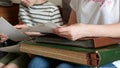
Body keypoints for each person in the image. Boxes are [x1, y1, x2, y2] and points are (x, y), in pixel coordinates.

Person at [28, 0, 120, 68]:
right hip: (80, 50)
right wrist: (37, 31)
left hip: (112, 54)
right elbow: (70, 26)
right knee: (36, 64)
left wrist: (86, 30)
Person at [0, 0, 62, 68]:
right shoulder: (23, 5)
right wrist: (9, 35)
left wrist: (33, 32)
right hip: (21, 46)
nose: (22, 0)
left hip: (36, 50)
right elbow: (21, 29)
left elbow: (58, 35)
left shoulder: (52, 9)